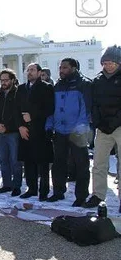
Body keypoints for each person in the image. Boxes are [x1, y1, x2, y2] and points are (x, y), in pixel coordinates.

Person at [45, 58, 91, 206]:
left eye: (65, 67)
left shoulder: (83, 84)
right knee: (58, 163)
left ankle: (81, 196)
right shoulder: (58, 85)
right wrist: (49, 125)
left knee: (81, 165)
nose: (61, 70)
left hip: (77, 131)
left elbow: (86, 110)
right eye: (60, 67)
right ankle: (58, 192)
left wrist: (79, 128)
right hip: (59, 130)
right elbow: (52, 108)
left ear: (74, 68)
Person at [83, 45, 121, 212]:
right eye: (105, 62)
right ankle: (98, 194)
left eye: (111, 62)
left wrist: (114, 122)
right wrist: (99, 123)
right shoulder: (97, 80)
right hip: (103, 128)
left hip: (119, 125)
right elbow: (94, 105)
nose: (108, 65)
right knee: (99, 163)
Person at [16, 63, 55, 200]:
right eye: (28, 70)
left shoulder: (46, 88)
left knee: (42, 163)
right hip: (25, 131)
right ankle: (31, 188)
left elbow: (49, 108)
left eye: (33, 70)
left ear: (39, 73)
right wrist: (20, 126)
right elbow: (16, 109)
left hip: (40, 130)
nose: (30, 72)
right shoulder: (21, 89)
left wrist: (32, 115)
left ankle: (43, 191)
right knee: (28, 162)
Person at [0, 69, 22, 196]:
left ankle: (17, 185)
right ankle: (7, 184)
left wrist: (7, 127)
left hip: (13, 132)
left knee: (15, 160)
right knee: (3, 159)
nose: (3, 82)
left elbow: (17, 114)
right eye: (1, 80)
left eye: (6, 80)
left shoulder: (18, 94)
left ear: (13, 80)